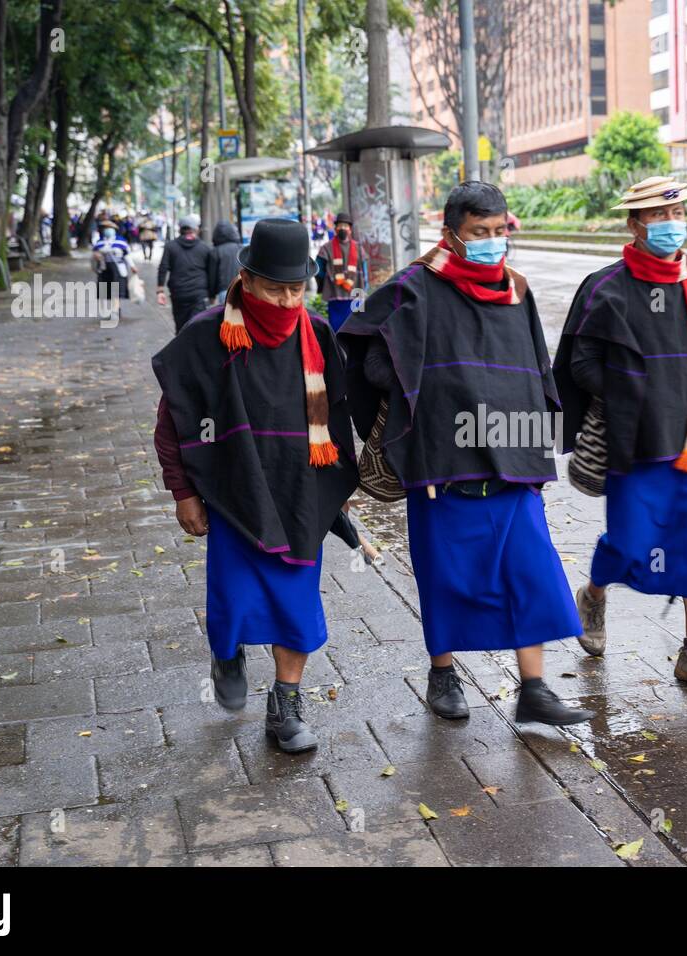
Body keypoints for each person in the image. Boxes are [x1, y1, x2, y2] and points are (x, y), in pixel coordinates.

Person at [339, 181, 593, 727]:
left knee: (530, 572)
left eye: (501, 231)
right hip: (442, 463)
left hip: (513, 455)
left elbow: (536, 367)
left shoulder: (515, 289)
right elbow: (362, 355)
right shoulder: (414, 287)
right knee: (446, 576)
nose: (493, 242)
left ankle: (535, 688)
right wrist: (417, 382)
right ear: (451, 233)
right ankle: (443, 673)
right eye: (481, 233)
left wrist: (538, 435)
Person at [553, 177, 687, 694]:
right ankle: (595, 595)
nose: (671, 225)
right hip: (636, 445)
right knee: (631, 544)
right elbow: (580, 364)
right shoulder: (606, 289)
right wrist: (634, 395)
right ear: (634, 224)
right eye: (657, 216)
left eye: (677, 215)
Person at [152, 218, 359, 753]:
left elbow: (336, 419)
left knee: (297, 605)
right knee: (234, 600)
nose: (288, 300)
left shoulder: (316, 333)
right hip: (232, 492)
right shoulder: (207, 334)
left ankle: (286, 704)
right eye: (275, 287)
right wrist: (184, 492)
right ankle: (227, 652)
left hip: (299, 493)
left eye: (297, 288)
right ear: (245, 278)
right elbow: (172, 421)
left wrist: (333, 493)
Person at [156, 214, 216, 333]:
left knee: (181, 327)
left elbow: (163, 268)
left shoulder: (170, 246)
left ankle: (181, 348)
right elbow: (211, 273)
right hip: (199, 294)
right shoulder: (205, 248)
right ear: (196, 229)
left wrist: (160, 290)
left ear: (180, 229)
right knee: (198, 327)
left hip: (179, 294)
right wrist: (212, 295)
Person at [314, 211, 368, 332]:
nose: (343, 228)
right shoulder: (326, 248)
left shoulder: (359, 248)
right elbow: (318, 269)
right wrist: (323, 285)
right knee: (337, 329)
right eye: (340, 226)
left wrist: (365, 286)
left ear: (350, 229)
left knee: (358, 327)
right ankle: (339, 350)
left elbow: (364, 270)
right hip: (335, 295)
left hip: (356, 294)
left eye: (345, 226)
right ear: (335, 228)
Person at [92, 225, 135, 302]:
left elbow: (127, 255)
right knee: (105, 293)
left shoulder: (120, 241)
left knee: (117, 291)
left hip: (118, 269)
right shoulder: (100, 242)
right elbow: (94, 256)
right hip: (104, 269)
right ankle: (107, 310)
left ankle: (116, 310)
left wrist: (132, 266)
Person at [211, 220, 242, 305]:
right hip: (241, 288)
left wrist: (212, 295)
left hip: (224, 291)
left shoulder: (215, 252)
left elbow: (212, 275)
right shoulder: (240, 248)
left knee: (226, 316)